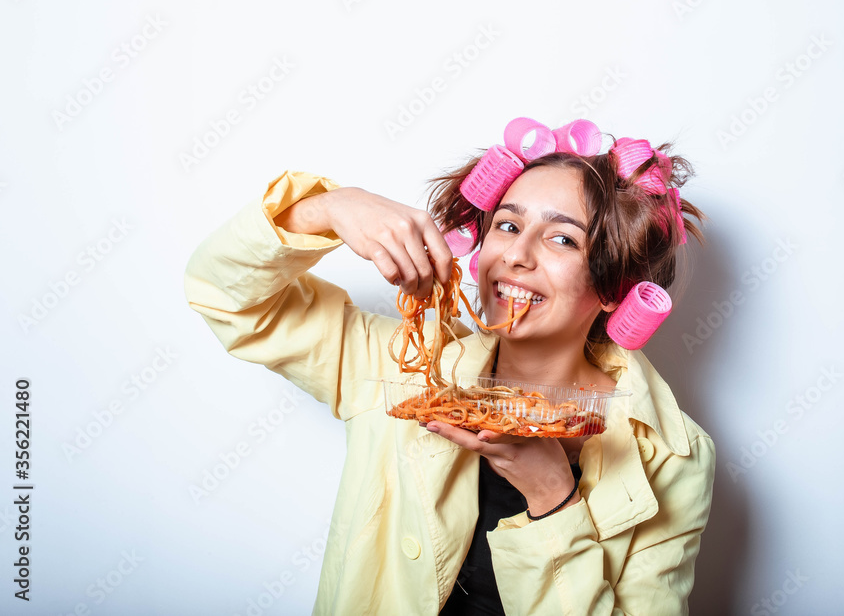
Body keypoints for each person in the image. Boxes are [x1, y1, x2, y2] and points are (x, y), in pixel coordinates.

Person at [183, 117, 716, 615]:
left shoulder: (673, 457)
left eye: (562, 238)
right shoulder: (402, 367)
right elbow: (229, 300)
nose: (517, 255)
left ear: (613, 287)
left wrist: (553, 498)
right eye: (507, 226)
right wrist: (327, 207)